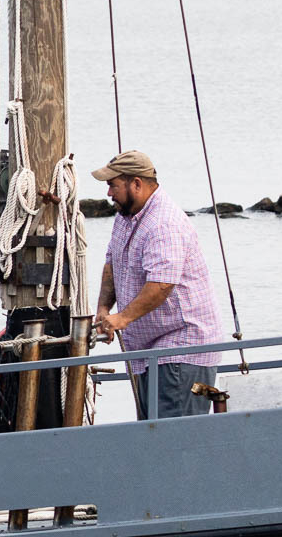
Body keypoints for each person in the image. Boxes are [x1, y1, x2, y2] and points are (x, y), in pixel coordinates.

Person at [91, 150, 222, 419]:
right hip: (150, 352)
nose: (108, 194)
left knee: (174, 441)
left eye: (113, 185)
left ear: (136, 184)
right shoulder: (125, 218)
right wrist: (104, 309)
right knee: (153, 435)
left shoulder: (164, 224)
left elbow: (161, 284)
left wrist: (123, 319)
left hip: (181, 349)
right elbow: (111, 263)